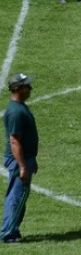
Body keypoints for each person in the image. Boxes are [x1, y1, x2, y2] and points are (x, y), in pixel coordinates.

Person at [2, 73, 38, 244]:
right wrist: (23, 166)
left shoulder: (19, 107)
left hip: (24, 158)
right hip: (19, 160)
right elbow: (14, 141)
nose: (30, 88)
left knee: (18, 196)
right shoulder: (16, 112)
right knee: (16, 197)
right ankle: (8, 233)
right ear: (17, 89)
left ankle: (12, 231)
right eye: (26, 86)